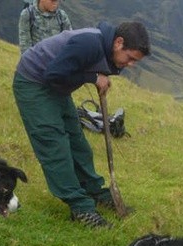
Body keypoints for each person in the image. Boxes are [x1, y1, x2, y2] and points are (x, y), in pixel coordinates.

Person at [13, 22, 150, 229]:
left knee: (78, 143)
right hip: (34, 83)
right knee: (55, 146)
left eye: (135, 61)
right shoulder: (88, 43)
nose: (131, 64)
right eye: (130, 58)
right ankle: (81, 208)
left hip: (58, 88)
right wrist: (94, 77)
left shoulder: (108, 49)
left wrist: (99, 77)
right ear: (119, 42)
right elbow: (54, 74)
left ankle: (94, 192)